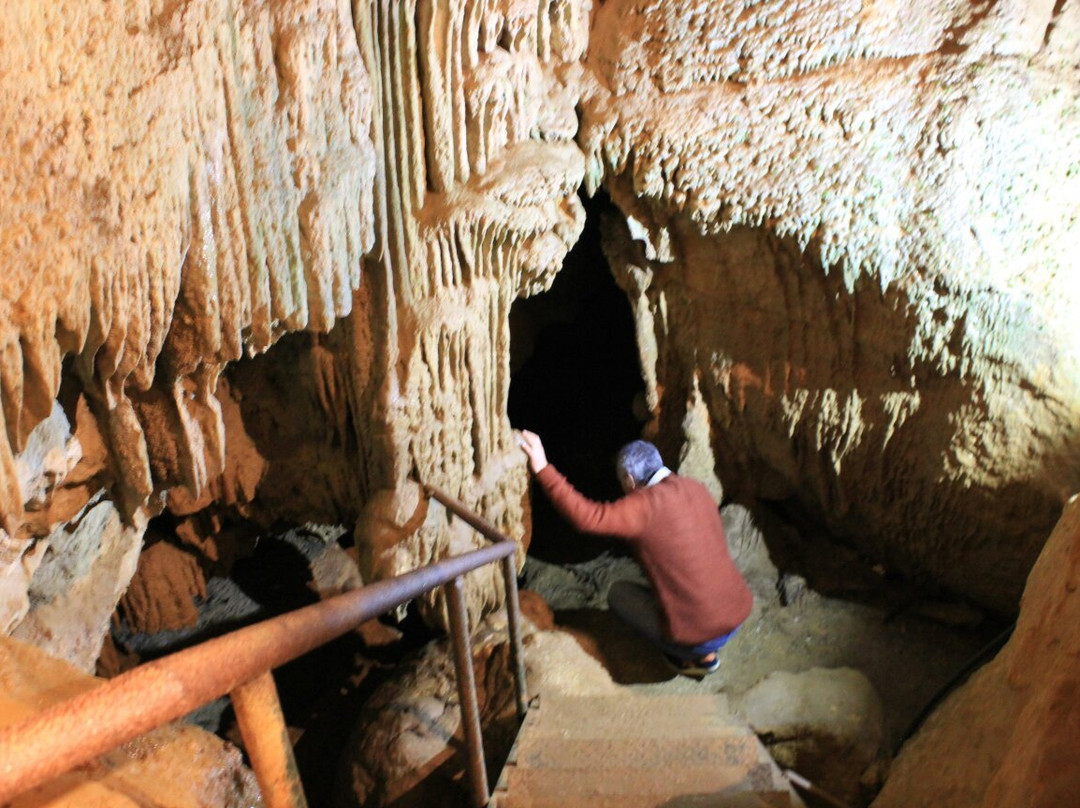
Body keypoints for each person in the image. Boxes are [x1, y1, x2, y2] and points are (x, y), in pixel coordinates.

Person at [516, 429, 752, 679]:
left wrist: (542, 467)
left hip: (700, 631)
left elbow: (587, 517)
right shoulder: (696, 489)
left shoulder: (644, 506)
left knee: (619, 594)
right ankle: (703, 645)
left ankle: (694, 656)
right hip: (737, 612)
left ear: (629, 479)